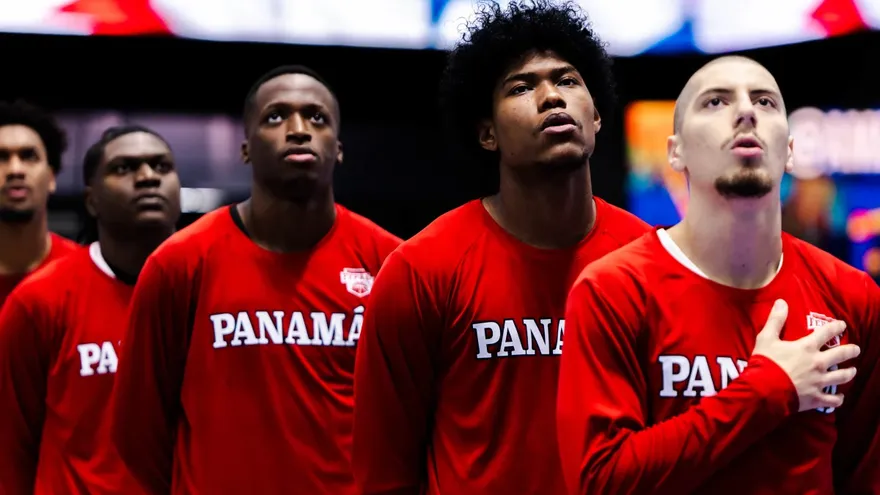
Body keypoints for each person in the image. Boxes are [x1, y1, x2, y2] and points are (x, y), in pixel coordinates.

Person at [351, 2, 650, 494]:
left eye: (569, 80)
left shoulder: (649, 258)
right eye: (521, 87)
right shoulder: (421, 269)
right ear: (487, 133)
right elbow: (382, 470)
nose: (552, 97)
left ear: (595, 116)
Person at [557, 55, 879, 495]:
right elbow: (601, 482)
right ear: (676, 151)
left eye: (765, 102)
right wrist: (766, 390)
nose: (746, 112)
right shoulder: (612, 290)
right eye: (715, 102)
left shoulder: (853, 296)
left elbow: (864, 477)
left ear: (788, 151)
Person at [110, 65, 402, 495]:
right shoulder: (178, 263)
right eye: (275, 116)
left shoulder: (393, 263)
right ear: (245, 148)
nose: (298, 130)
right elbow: (139, 433)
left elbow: (412, 422)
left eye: (316, 118)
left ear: (338, 148)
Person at [0, 125, 181, 495]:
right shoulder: (39, 299)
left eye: (161, 167)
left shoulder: (214, 294)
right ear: (91, 199)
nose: (147, 178)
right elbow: (10, 451)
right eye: (125, 168)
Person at [0, 100, 79, 307]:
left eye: (29, 156)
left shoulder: (84, 270)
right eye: (1, 158)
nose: (15, 170)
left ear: (51, 178)